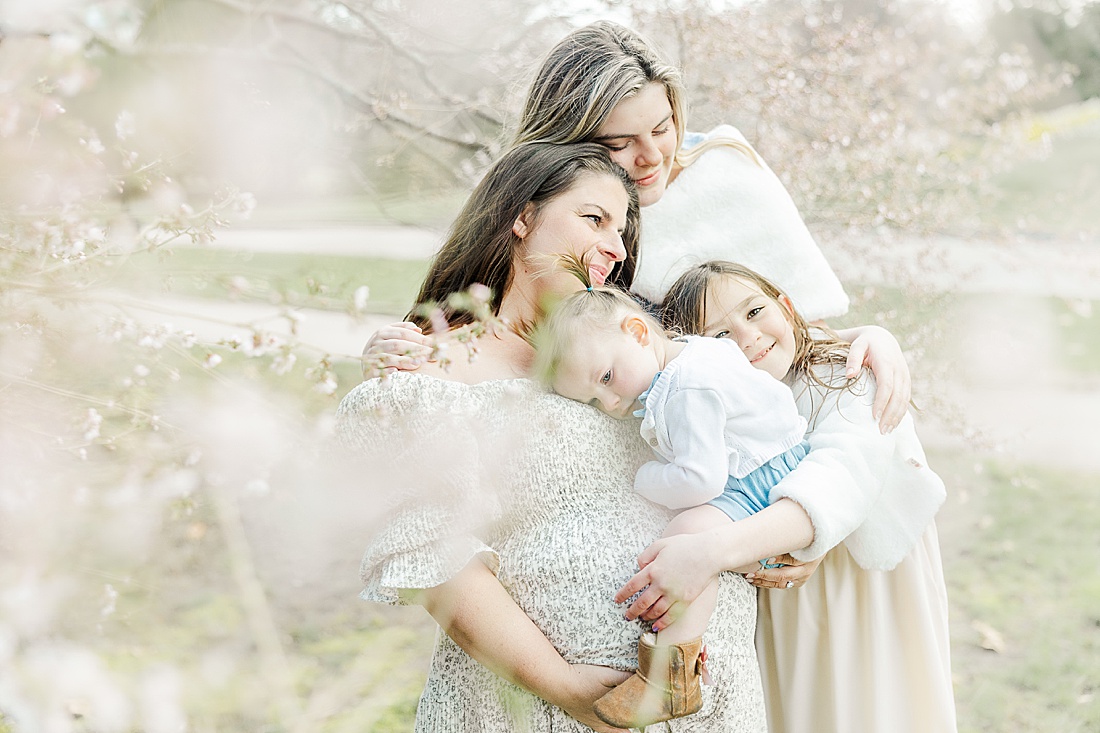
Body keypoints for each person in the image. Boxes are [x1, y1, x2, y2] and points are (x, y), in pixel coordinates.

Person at [338, 142, 770, 732]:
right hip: (546, 710)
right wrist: (564, 687)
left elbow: (772, 352)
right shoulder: (430, 369)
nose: (616, 249)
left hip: (715, 703)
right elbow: (440, 565)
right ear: (522, 215)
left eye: (623, 231)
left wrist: (874, 343)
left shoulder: (635, 342)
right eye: (595, 219)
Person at [363, 20, 913, 440]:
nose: (652, 157)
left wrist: (869, 338)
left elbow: (787, 328)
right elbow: (485, 343)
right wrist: (390, 356)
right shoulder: (559, 228)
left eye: (662, 127)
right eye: (618, 144)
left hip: (810, 438)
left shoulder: (725, 175)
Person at [613, 260, 957, 733]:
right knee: (799, 707)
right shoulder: (720, 405)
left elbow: (840, 475)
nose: (746, 336)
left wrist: (707, 552)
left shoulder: (844, 374)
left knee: (872, 706)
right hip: (784, 596)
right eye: (720, 336)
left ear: (788, 306)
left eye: (754, 311)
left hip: (864, 588)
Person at [531, 260, 812, 728]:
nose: (612, 404)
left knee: (687, 538)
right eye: (595, 401)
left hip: (759, 475)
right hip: (763, 463)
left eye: (606, 380)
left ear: (638, 332)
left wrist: (643, 478)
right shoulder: (690, 357)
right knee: (694, 535)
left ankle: (672, 675)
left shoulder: (685, 388)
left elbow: (701, 479)